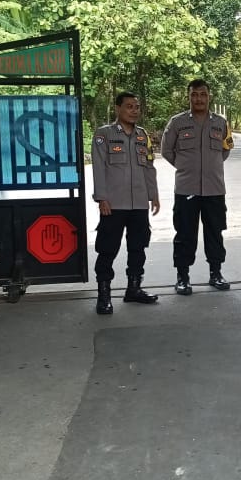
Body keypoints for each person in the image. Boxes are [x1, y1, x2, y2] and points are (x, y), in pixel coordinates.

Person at [160, 79, 233, 296]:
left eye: (203, 94)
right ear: (188, 97)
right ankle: (182, 277)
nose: (198, 99)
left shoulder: (221, 123)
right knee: (184, 234)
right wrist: (185, 167)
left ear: (209, 97)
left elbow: (226, 149)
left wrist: (210, 167)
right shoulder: (177, 123)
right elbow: (166, 150)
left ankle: (216, 273)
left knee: (215, 233)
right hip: (186, 189)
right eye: (194, 94)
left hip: (214, 189)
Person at [91, 91, 161, 314]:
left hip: (139, 203)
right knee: (107, 249)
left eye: (137, 107)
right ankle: (104, 295)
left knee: (138, 248)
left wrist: (153, 195)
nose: (134, 111)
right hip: (114, 204)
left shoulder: (142, 135)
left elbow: (149, 166)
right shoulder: (104, 134)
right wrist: (101, 198)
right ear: (118, 109)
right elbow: (98, 168)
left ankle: (134, 289)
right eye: (129, 106)